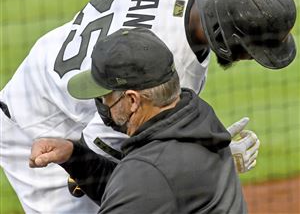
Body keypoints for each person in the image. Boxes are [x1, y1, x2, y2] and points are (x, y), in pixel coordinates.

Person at [0, 0, 295, 213]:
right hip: (41, 124)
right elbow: (115, 172)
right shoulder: (167, 70)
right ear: (223, 35)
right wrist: (205, 162)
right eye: (250, 50)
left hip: (52, 63)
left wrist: (136, 4)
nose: (250, 58)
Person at [30, 27, 248, 213]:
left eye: (105, 96)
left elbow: (140, 185)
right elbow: (139, 191)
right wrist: (74, 155)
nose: (102, 104)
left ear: (132, 100)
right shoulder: (197, 114)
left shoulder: (148, 171)